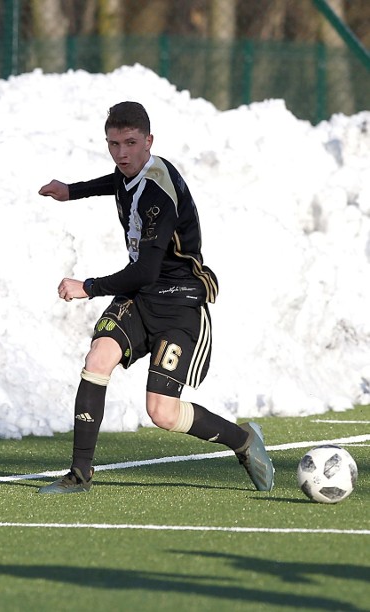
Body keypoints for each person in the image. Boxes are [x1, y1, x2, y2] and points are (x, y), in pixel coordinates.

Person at [36, 101, 274, 495]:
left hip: (179, 303)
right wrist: (71, 191)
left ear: (149, 140)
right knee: (98, 357)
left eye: (130, 143)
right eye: (113, 144)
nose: (121, 153)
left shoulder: (157, 195)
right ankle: (79, 474)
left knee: (161, 412)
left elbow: (145, 271)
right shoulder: (134, 169)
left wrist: (89, 286)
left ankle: (243, 441)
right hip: (141, 297)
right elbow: (116, 180)